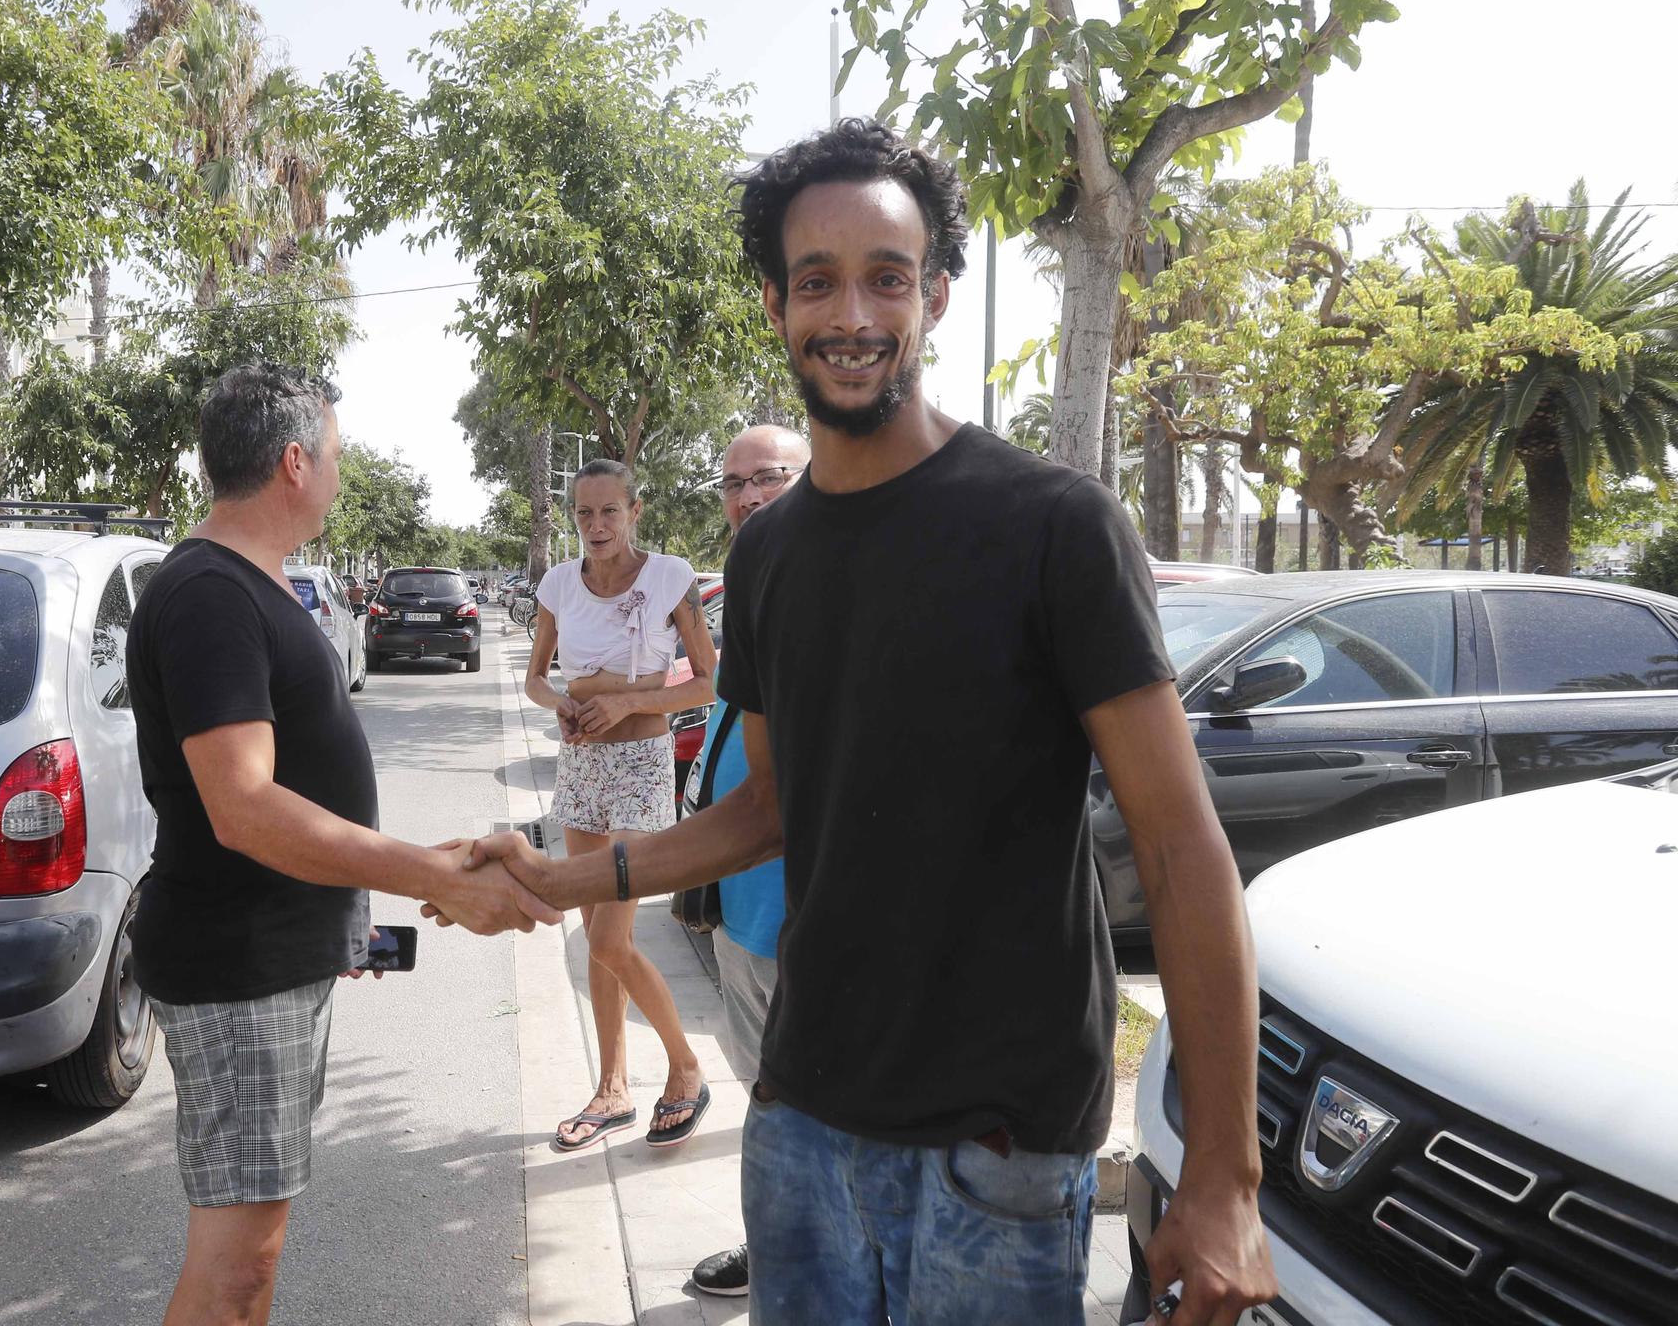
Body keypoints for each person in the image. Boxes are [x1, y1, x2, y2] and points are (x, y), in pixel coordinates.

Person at [455, 120, 1276, 1326]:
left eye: (886, 276)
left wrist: (1222, 1174)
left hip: (992, 1141)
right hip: (798, 1116)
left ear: (934, 295)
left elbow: (1178, 846)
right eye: (816, 280)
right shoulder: (772, 552)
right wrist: (561, 876)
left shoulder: (1053, 525)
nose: (851, 312)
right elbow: (770, 805)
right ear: (777, 305)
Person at [125, 363, 560, 1326]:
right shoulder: (209, 592)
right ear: (293, 461)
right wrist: (426, 873)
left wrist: (346, 918)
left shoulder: (250, 582)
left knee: (248, 1250)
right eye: (334, 451)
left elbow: (290, 788)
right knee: (238, 1268)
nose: (339, 470)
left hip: (275, 951)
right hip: (236, 963)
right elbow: (243, 808)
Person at [525, 458, 720, 1151]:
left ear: (635, 512)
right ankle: (611, 1090)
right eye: (584, 513)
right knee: (595, 935)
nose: (596, 525)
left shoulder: (671, 577)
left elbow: (706, 684)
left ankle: (687, 1069)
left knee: (610, 937)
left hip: (641, 765)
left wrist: (628, 701)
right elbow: (536, 680)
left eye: (610, 511)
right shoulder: (557, 583)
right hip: (581, 767)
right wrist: (563, 708)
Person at [686, 424, 809, 1300]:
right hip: (741, 914)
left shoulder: (840, 588)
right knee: (765, 1104)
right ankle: (771, 1252)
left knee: (810, 1113)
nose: (748, 496)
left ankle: (806, 1272)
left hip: (811, 919)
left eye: (769, 477)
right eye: (733, 483)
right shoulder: (744, 588)